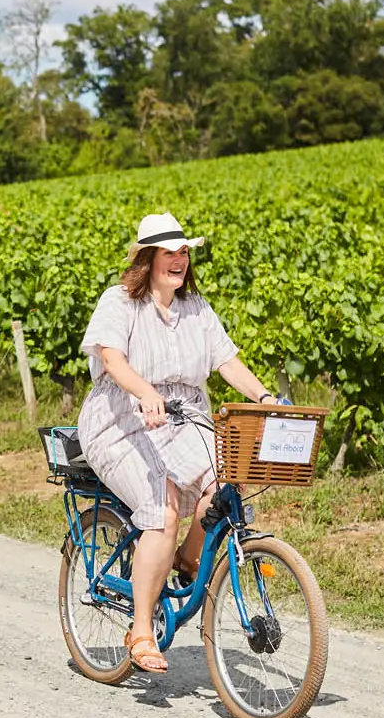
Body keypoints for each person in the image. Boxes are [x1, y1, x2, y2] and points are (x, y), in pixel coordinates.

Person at [77, 212, 281, 674]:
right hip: (122, 418)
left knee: (228, 482)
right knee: (163, 507)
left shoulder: (197, 309)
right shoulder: (119, 302)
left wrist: (266, 398)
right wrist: (146, 392)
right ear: (147, 259)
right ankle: (142, 629)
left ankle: (189, 561)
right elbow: (112, 360)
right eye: (169, 252)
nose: (179, 260)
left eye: (184, 252)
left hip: (183, 417)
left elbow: (228, 362)